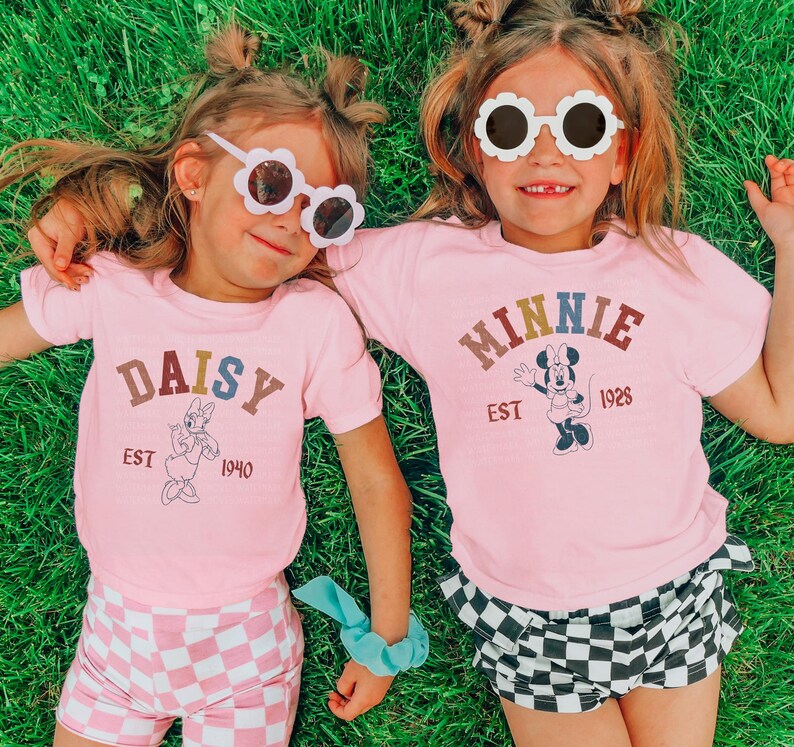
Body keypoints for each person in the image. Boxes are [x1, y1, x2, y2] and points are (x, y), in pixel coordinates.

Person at [26, 1, 794, 746]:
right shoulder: (426, 265)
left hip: (670, 590)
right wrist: (96, 205)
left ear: (623, 152)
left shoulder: (674, 268)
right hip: (527, 617)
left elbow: (779, 409)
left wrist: (791, 251)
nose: (546, 153)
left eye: (585, 126)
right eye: (511, 126)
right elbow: (259, 231)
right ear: (473, 147)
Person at [0, 24, 422, 747]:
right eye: (272, 182)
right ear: (193, 174)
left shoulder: (314, 323)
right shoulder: (114, 288)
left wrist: (386, 636)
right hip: (115, 642)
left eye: (324, 213)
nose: (292, 219)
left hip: (246, 651)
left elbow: (378, 484)